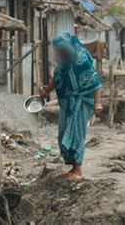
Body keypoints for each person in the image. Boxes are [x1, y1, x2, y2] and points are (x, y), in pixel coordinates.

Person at [40, 32, 102, 180]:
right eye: (58, 49)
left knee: (76, 134)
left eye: (62, 48)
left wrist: (97, 103)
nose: (60, 52)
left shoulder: (81, 59)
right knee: (64, 134)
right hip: (66, 102)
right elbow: (56, 78)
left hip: (82, 101)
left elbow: (96, 82)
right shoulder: (63, 62)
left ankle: (78, 170)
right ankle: (73, 167)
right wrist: (45, 92)